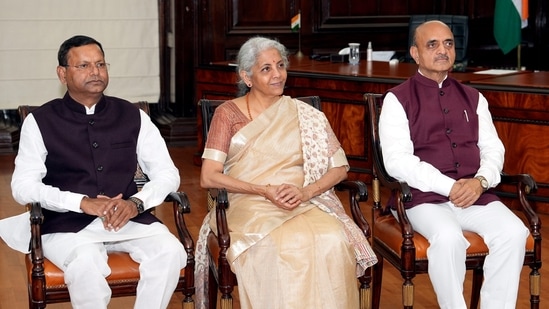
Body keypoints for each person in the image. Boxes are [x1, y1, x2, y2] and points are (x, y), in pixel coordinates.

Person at [3, 35, 186, 309]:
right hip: (66, 225)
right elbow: (23, 187)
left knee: (170, 252)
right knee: (86, 264)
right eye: (84, 66)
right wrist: (80, 203)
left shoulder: (132, 115)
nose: (95, 72)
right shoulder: (39, 121)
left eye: (100, 64)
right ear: (62, 74)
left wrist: (136, 204)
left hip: (127, 219)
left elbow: (168, 174)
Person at [194, 36, 377, 309]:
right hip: (250, 203)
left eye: (280, 65)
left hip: (303, 200)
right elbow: (208, 176)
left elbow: (339, 167)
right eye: (266, 69)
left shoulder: (305, 114)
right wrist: (264, 190)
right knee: (280, 245)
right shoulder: (227, 114)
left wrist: (305, 192)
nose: (278, 74)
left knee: (332, 240)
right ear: (247, 77)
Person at [379, 21, 530, 309]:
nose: (442, 50)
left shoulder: (473, 97)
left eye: (448, 43)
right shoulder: (397, 99)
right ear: (415, 53)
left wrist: (481, 181)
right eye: (432, 44)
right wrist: (450, 187)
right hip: (422, 200)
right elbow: (397, 162)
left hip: (475, 195)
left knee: (514, 232)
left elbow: (492, 148)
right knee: (448, 238)